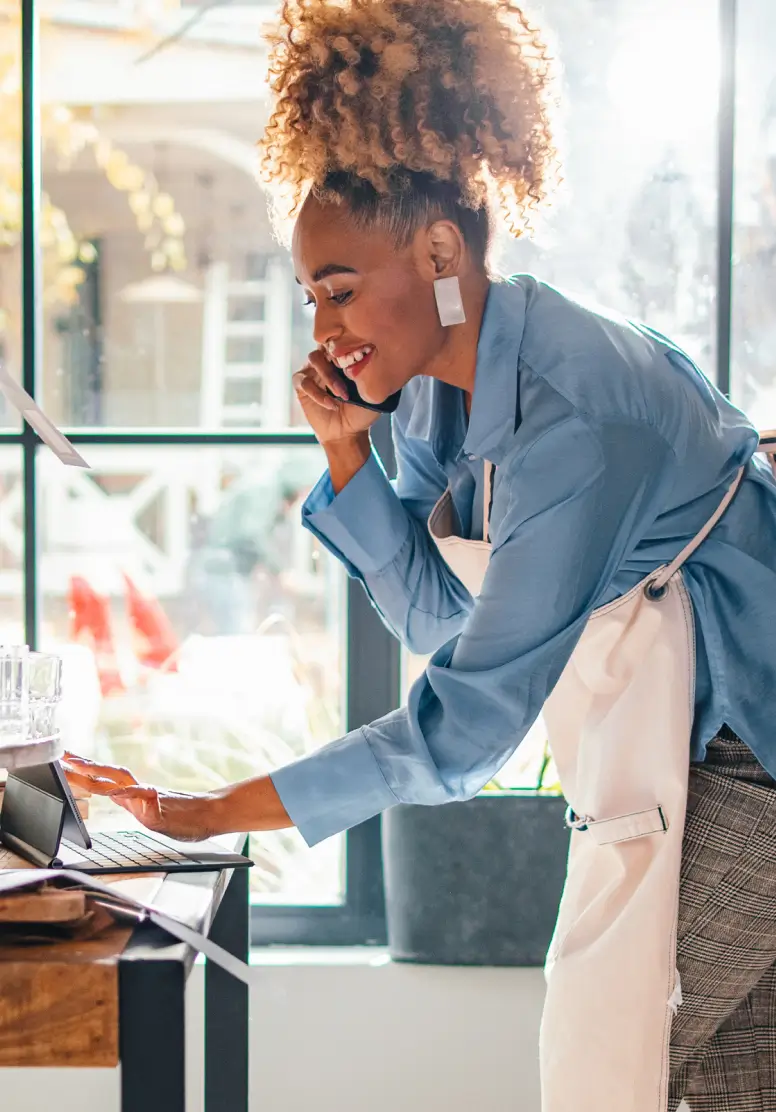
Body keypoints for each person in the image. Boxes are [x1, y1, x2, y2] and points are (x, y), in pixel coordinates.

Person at [63, 1, 776, 1108]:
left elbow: (464, 731)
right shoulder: (428, 403)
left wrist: (210, 809)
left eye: (340, 288)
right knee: (715, 1072)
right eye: (310, 295)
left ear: (440, 251)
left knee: (647, 1058)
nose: (322, 329)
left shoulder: (575, 414)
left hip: (749, 750)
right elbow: (444, 625)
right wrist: (348, 459)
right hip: (668, 746)